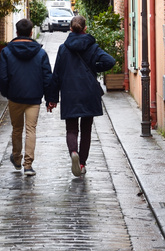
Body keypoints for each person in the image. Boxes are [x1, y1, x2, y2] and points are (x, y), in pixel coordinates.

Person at [46, 15, 116, 176]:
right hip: (89, 93)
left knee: (71, 129)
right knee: (86, 130)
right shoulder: (93, 47)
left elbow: (57, 75)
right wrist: (93, 68)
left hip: (69, 93)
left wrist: (52, 98)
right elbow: (110, 61)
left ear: (70, 29)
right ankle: (82, 164)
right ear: (85, 28)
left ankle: (73, 152)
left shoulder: (63, 48)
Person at [0, 17, 53, 177]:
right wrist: (49, 97)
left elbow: (2, 76)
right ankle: (28, 166)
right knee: (31, 130)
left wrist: (6, 92)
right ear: (31, 32)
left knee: (17, 129)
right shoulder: (40, 53)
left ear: (16, 32)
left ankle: (16, 158)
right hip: (34, 98)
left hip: (14, 96)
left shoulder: (6, 52)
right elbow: (47, 77)